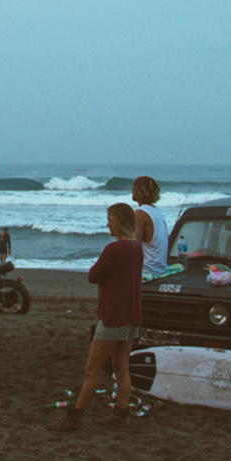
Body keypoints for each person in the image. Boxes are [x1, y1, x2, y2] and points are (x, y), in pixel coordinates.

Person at [46, 203, 142, 432]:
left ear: (117, 222)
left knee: (92, 370)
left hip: (113, 316)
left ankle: (75, 417)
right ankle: (120, 413)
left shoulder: (113, 249)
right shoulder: (137, 247)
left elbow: (93, 275)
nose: (107, 224)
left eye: (109, 220)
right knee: (122, 368)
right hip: (132, 315)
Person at [132, 175, 168, 278]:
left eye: (133, 189)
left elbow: (134, 246)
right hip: (160, 268)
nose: (131, 191)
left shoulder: (140, 213)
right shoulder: (157, 211)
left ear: (139, 191)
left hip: (147, 270)